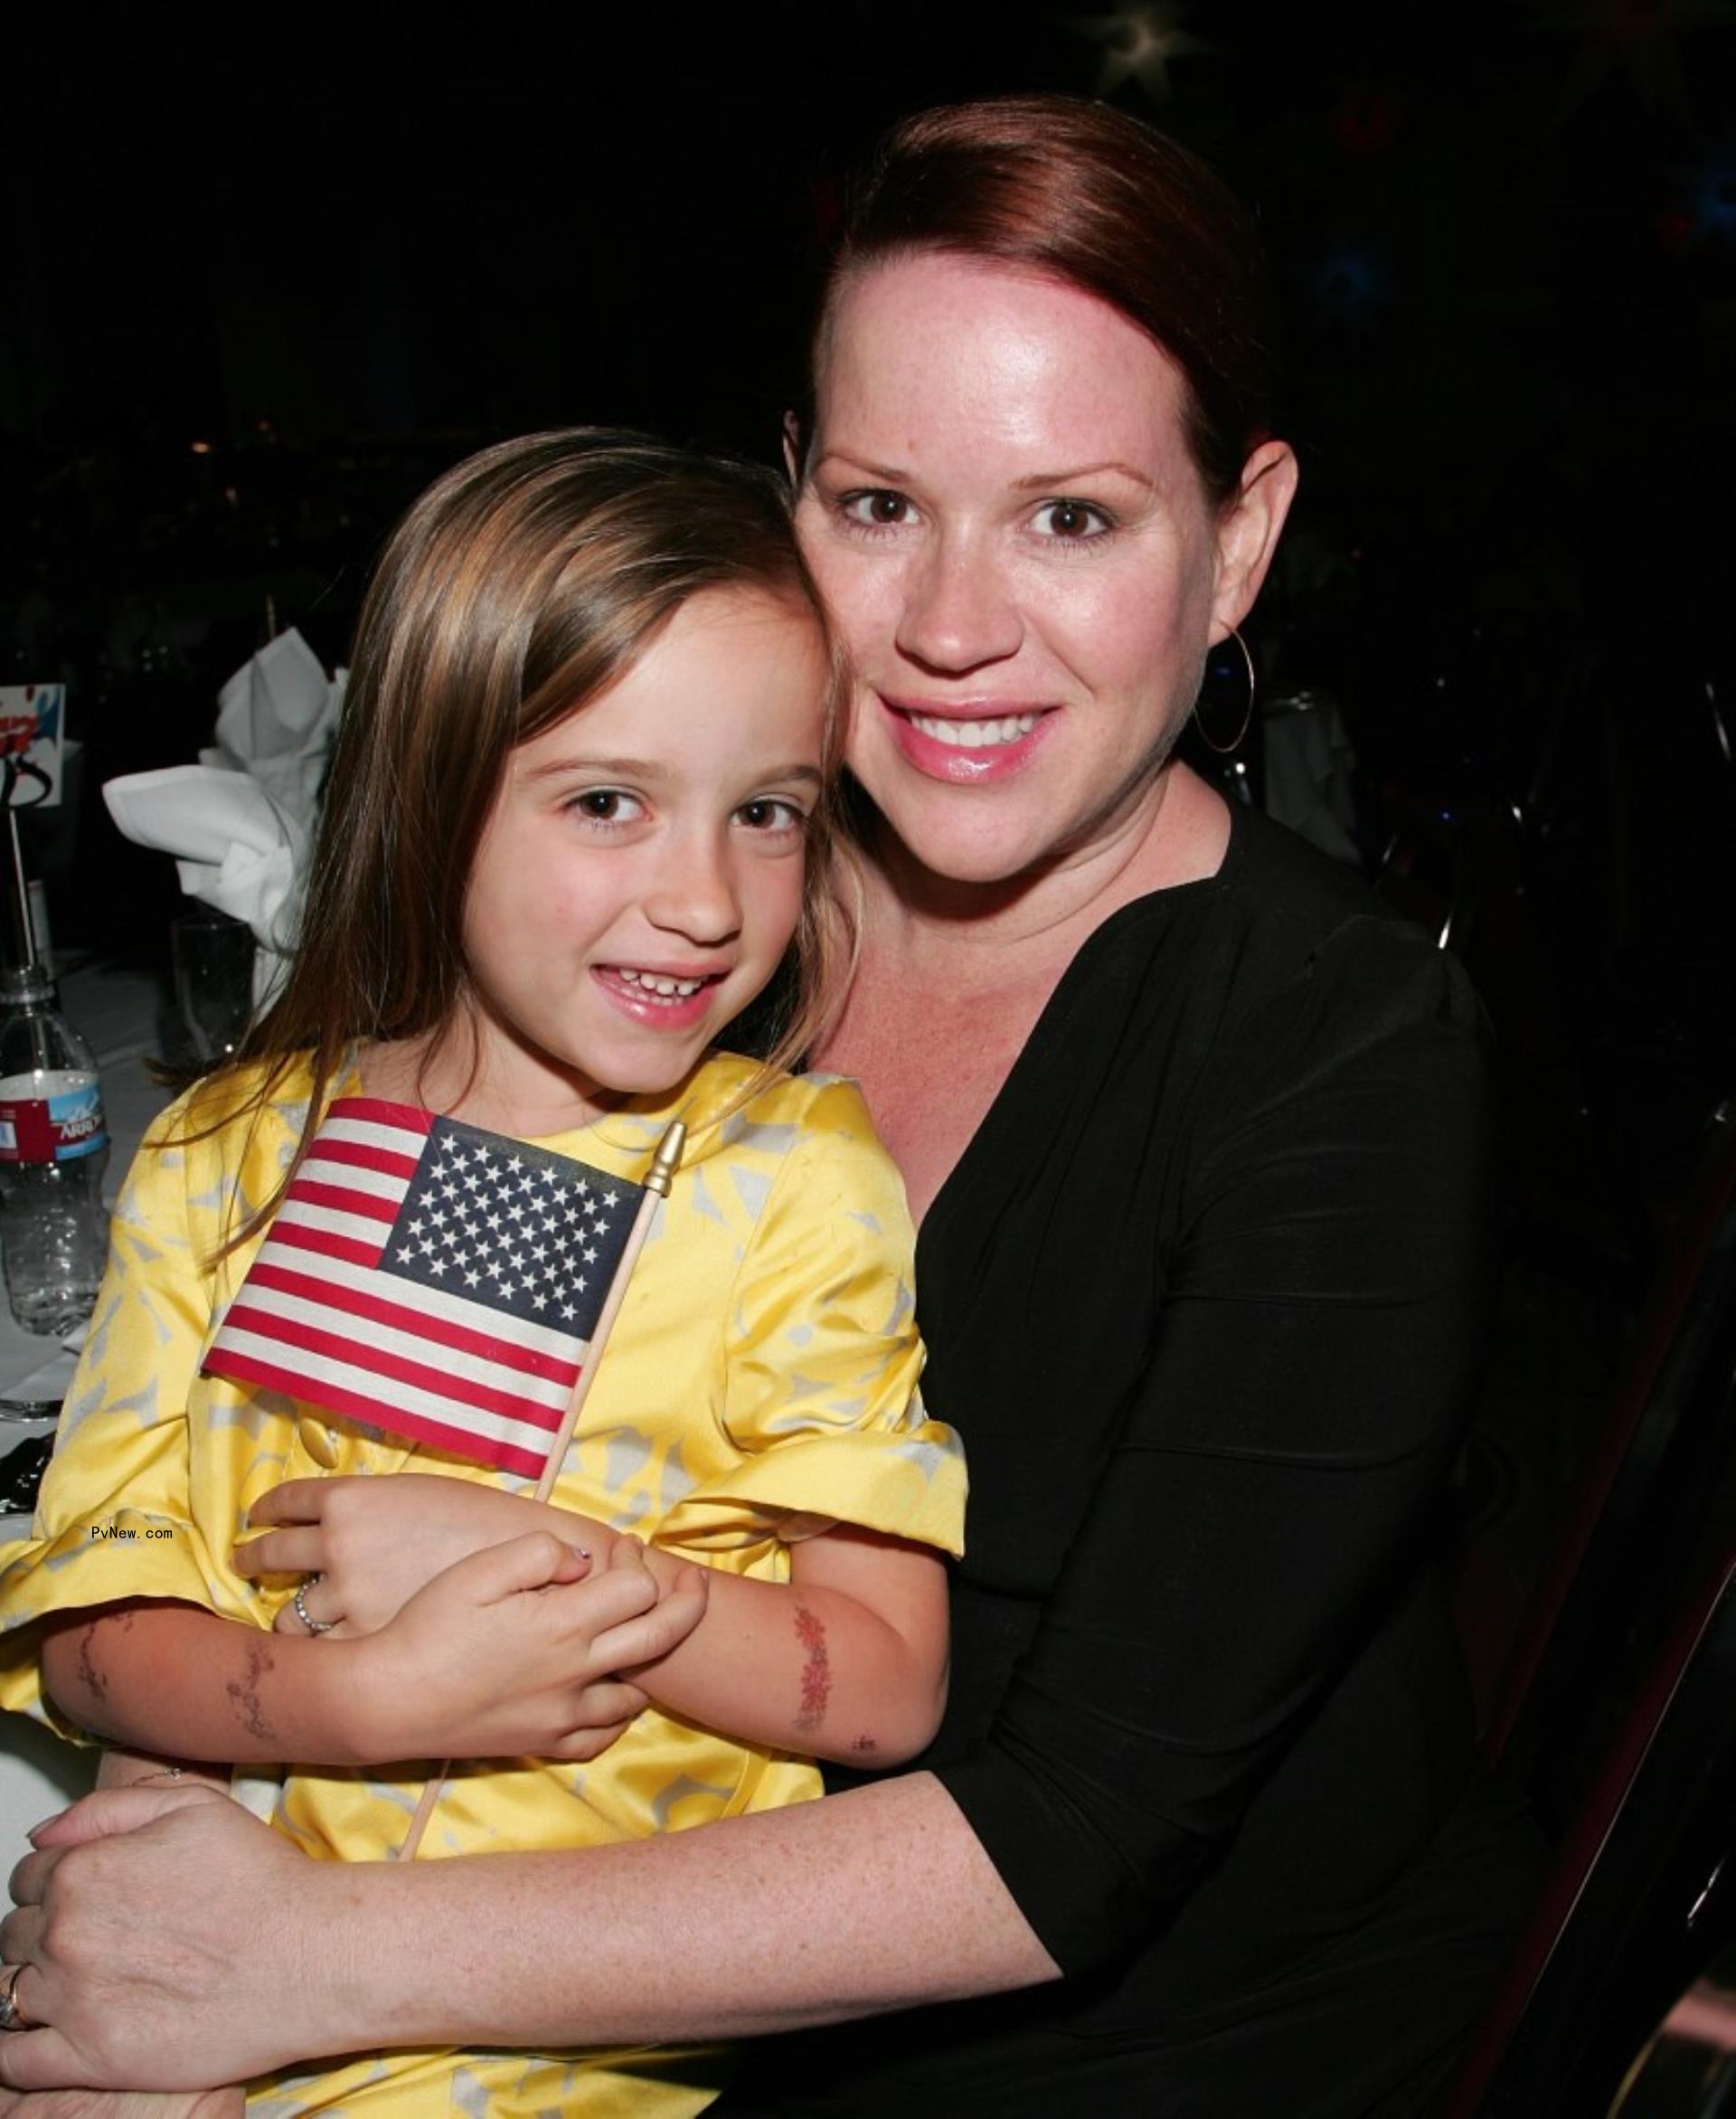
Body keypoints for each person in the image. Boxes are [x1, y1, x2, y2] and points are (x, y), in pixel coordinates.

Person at [0, 95, 1539, 2117]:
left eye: (1071, 516)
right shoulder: (690, 926)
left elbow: (1077, 1828)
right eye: (883, 504)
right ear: (790, 487)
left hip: (1099, 2027)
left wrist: (305, 1963)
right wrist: (172, 1877)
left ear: (1237, 537)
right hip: (590, 1905)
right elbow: (285, 1433)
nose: (952, 625)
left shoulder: (1344, 1057)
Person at [0, 432, 967, 2117]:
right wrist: (356, 1701)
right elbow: (86, 1639)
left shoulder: (789, 1183)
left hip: (574, 2043)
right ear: (430, 792)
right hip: (214, 1958)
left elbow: (883, 1689)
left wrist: (558, 1565)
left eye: (767, 814)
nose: (705, 899)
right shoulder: (224, 1155)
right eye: (607, 801)